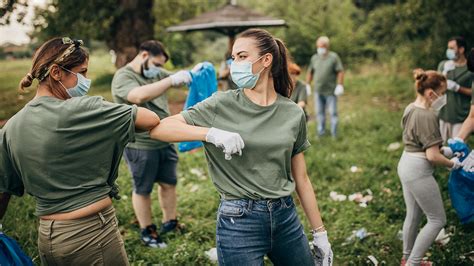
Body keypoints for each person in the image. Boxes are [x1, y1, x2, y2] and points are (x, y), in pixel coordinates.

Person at [150, 28, 332, 265]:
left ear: (266, 60)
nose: (234, 63)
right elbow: (159, 129)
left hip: (285, 216)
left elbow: (302, 178)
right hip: (239, 221)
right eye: (233, 57)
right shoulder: (221, 104)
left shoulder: (293, 113)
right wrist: (210, 133)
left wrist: (320, 234)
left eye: (242, 56)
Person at [0, 37, 160, 265]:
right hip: (91, 233)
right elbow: (150, 119)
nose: (86, 80)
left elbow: (2, 191)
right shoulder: (83, 109)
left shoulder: (11, 127)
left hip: (48, 237)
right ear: (56, 72)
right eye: (82, 72)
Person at [111, 40, 192, 248]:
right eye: (157, 64)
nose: (159, 70)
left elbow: (176, 77)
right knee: (143, 188)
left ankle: (170, 222)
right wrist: (171, 79)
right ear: (144, 55)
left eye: (161, 67)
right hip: (140, 144)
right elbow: (138, 96)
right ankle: (148, 230)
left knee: (169, 183)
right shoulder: (124, 76)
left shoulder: (155, 72)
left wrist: (194, 72)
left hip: (165, 139)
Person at [397, 69, 462, 266]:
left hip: (406, 162)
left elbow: (421, 141)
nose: (443, 98)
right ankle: (413, 263)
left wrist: (446, 150)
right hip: (418, 171)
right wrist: (452, 164)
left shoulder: (410, 108)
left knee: (414, 214)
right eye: (442, 93)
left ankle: (406, 258)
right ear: (430, 93)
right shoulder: (428, 116)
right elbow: (432, 156)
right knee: (437, 220)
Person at [437, 37, 474, 141]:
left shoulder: (470, 68)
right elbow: (436, 87)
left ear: (461, 49)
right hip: (444, 114)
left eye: (452, 48)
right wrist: (444, 73)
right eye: (448, 48)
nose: (449, 51)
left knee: (456, 150)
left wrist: (458, 88)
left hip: (460, 117)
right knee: (439, 147)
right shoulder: (444, 65)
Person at [306, 36, 344, 137]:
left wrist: (340, 85)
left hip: (331, 91)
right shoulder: (314, 58)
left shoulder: (334, 57)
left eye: (321, 46)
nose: (319, 48)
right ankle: (321, 132)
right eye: (318, 46)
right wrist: (308, 84)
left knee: (333, 113)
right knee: (319, 113)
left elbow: (340, 71)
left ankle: (334, 134)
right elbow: (310, 72)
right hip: (318, 91)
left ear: (327, 46)